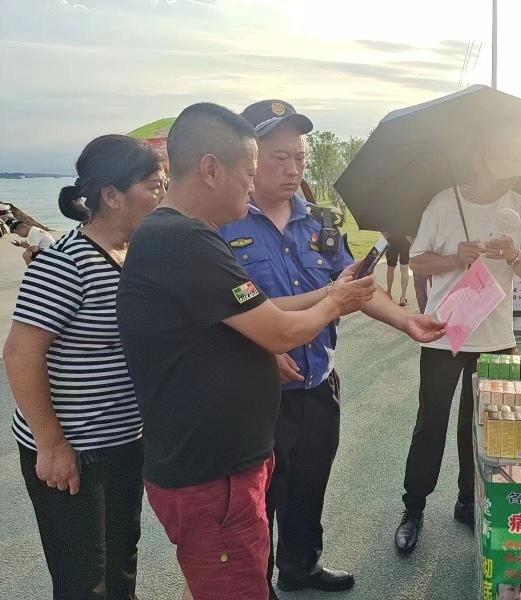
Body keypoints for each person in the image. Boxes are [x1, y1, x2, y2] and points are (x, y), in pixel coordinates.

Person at [116, 103, 378, 600]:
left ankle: (299, 567)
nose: (253, 184)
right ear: (211, 169)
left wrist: (330, 291)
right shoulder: (183, 240)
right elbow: (278, 332)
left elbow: (260, 310)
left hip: (226, 465)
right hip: (211, 473)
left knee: (237, 575)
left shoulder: (184, 235)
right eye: (249, 172)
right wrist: (336, 302)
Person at [219, 99, 445, 597]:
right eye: (279, 158)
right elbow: (221, 309)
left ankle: (300, 567)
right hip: (258, 391)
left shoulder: (319, 222)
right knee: (256, 501)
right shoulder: (223, 224)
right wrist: (264, 346)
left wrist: (406, 320)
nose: (293, 169)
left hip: (318, 382)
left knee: (309, 483)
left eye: (299, 157)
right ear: (248, 160)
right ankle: (257, 584)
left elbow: (352, 285)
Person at [3, 135, 165, 599]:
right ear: (111, 195)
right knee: (82, 580)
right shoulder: (64, 264)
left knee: (121, 561)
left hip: (124, 440)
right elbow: (20, 353)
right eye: (153, 186)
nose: (162, 196)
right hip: (74, 449)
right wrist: (51, 443)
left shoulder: (135, 254)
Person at [394, 124, 521, 554]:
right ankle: (414, 507)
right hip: (445, 332)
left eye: (515, 170)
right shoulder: (444, 203)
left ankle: (468, 501)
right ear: (481, 160)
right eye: (502, 168)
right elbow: (418, 262)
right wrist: (454, 256)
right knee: (431, 423)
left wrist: (514, 254)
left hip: (495, 336)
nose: (509, 178)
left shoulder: (519, 207)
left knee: (479, 427)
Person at [384, 233, 412, 305]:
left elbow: (382, 227)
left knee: (390, 268)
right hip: (405, 241)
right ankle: (403, 297)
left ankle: (389, 292)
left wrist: (386, 237)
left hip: (392, 239)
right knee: (404, 269)